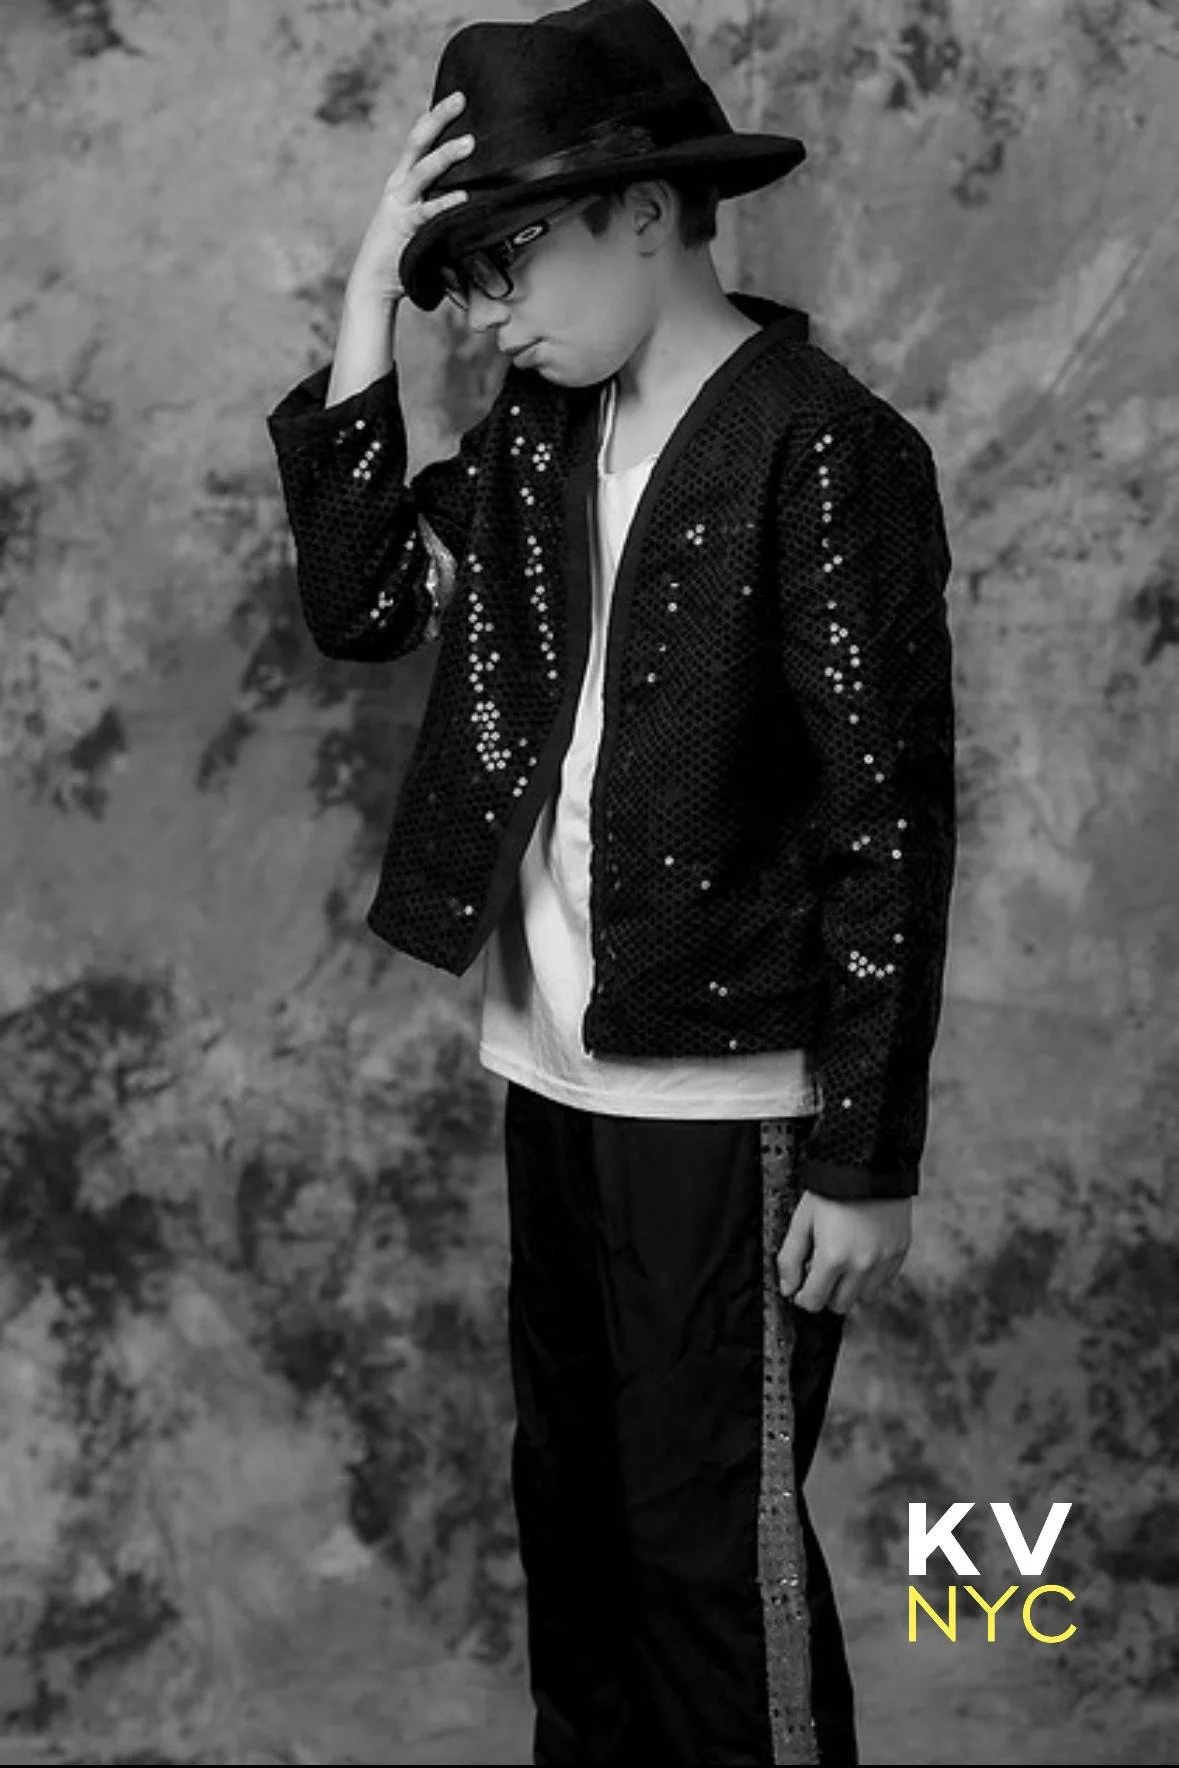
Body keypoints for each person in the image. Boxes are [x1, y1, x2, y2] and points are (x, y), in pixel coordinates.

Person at [265, 1, 957, 1760]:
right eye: (461, 281)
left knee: (706, 1560)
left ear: (644, 212)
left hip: (726, 1098)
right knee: (576, 1536)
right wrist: (369, 300)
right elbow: (357, 601)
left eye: (506, 264)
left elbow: (885, 821)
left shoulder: (819, 445)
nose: (488, 315)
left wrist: (866, 1155)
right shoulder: (534, 440)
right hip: (552, 1069)